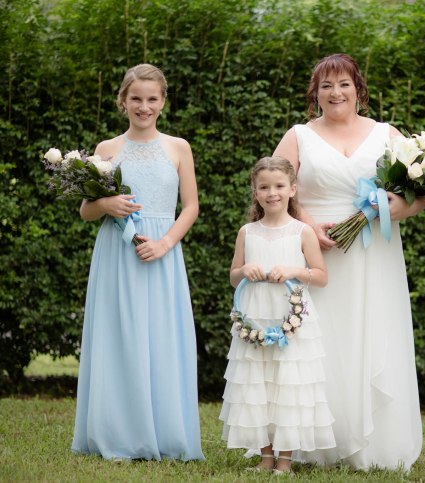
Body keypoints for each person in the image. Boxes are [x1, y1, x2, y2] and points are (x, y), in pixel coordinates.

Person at [273, 53, 425, 471]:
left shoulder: (386, 134)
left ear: (359, 90)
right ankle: (314, 441)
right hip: (316, 252)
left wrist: (396, 208)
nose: (335, 93)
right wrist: (309, 226)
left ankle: (375, 442)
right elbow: (275, 188)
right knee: (318, 341)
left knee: (373, 332)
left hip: (374, 253)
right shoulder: (298, 136)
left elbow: (419, 194)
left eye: (344, 84)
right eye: (326, 86)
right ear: (315, 93)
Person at [71, 64, 204, 461]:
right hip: (117, 253)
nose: (144, 106)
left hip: (162, 253)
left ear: (163, 102)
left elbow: (191, 206)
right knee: (119, 336)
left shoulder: (178, 147)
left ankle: (164, 433)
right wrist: (105, 204)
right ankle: (118, 432)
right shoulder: (106, 149)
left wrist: (165, 244)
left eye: (151, 99)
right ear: (123, 101)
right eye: (136, 99)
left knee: (161, 336)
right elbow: (85, 211)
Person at [219, 156, 334, 475]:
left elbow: (321, 275)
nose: (272, 193)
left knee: (287, 385)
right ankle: (265, 456)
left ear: (292, 189)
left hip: (290, 318)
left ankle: (285, 459)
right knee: (257, 383)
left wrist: (295, 271)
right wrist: (244, 270)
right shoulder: (247, 232)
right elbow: (233, 276)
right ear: (255, 192)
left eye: (279, 186)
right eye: (264, 187)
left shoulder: (302, 232)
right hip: (256, 316)